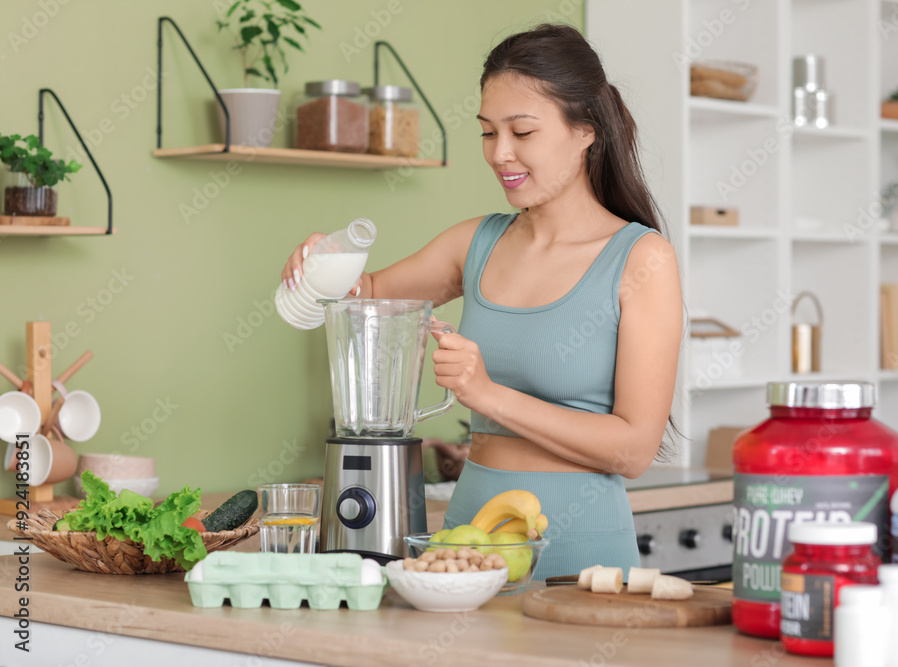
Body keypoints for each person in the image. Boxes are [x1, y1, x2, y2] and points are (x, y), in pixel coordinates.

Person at [281, 24, 682, 580]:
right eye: (488, 133)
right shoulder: (477, 242)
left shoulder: (642, 259)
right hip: (468, 535)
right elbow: (367, 295)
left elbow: (634, 450)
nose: (501, 154)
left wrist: (485, 393)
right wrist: (323, 265)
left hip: (578, 548)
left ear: (586, 130)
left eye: (522, 131)